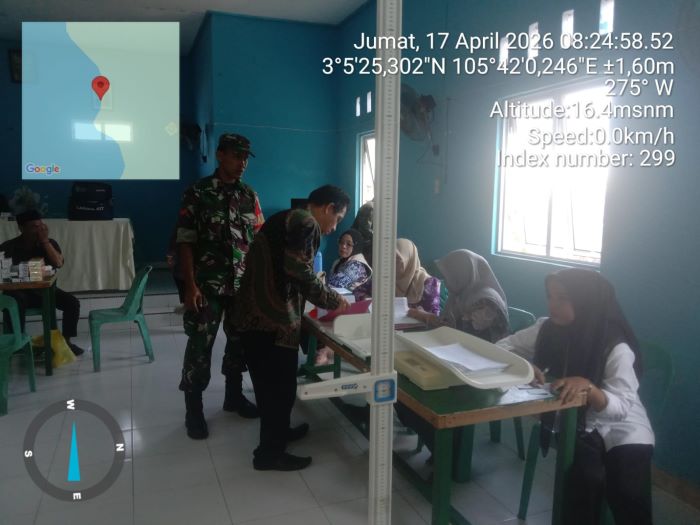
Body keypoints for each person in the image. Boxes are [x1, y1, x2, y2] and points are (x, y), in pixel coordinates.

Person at [497, 268, 654, 525]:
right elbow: (502, 347)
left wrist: (590, 388)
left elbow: (621, 406)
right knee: (584, 481)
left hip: (624, 424)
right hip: (575, 421)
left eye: (563, 298)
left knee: (628, 489)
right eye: (550, 296)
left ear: (586, 301)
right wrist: (523, 367)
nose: (553, 305)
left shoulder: (615, 345)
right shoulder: (547, 328)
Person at [234, 184, 351, 471]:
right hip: (271, 323)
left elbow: (287, 269)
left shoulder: (286, 217)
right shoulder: (306, 222)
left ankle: (279, 433)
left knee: (269, 387)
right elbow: (299, 271)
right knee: (279, 389)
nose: (334, 228)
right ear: (328, 208)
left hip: (253, 317)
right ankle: (269, 454)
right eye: (337, 218)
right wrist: (333, 300)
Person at [176, 132, 265, 440]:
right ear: (220, 155)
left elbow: (258, 240)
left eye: (245, 158)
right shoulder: (198, 193)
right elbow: (185, 241)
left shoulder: (249, 195)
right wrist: (190, 286)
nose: (242, 163)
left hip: (241, 287)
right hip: (207, 286)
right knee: (200, 347)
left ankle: (233, 396)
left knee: (239, 343)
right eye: (236, 156)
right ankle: (194, 410)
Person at [0, 209, 84, 355]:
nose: (39, 230)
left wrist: (45, 242)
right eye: (34, 227)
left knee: (72, 303)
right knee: (14, 302)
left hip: (44, 292)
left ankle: (66, 342)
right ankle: (17, 343)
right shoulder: (8, 247)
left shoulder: (49, 243)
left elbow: (58, 263)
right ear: (21, 228)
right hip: (19, 294)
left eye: (41, 226)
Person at [408, 249, 509, 342]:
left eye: (450, 277)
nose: (446, 282)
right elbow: (447, 323)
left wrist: (427, 317)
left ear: (462, 274)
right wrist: (425, 316)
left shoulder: (486, 301)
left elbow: (462, 335)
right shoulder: (461, 293)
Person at [314, 228, 372, 365]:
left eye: (348, 244)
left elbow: (334, 284)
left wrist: (319, 279)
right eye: (341, 242)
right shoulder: (339, 262)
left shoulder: (357, 265)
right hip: (341, 306)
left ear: (356, 246)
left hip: (355, 312)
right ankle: (323, 349)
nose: (343, 246)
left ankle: (326, 350)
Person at [351, 199, 373, 265]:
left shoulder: (370, 206)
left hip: (363, 244)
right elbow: (365, 228)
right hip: (364, 246)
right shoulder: (369, 207)